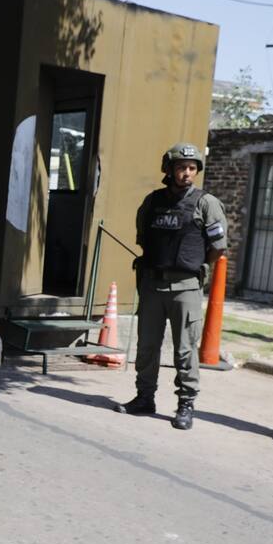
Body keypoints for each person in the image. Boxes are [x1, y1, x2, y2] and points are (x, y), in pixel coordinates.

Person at [115, 142, 228, 430]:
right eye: (181, 168)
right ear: (169, 170)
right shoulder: (152, 202)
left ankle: (185, 404)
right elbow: (143, 237)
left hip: (185, 287)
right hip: (153, 286)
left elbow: (218, 247)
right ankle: (144, 397)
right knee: (147, 346)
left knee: (185, 349)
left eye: (192, 168)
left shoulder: (206, 203)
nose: (187, 173)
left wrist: (197, 266)